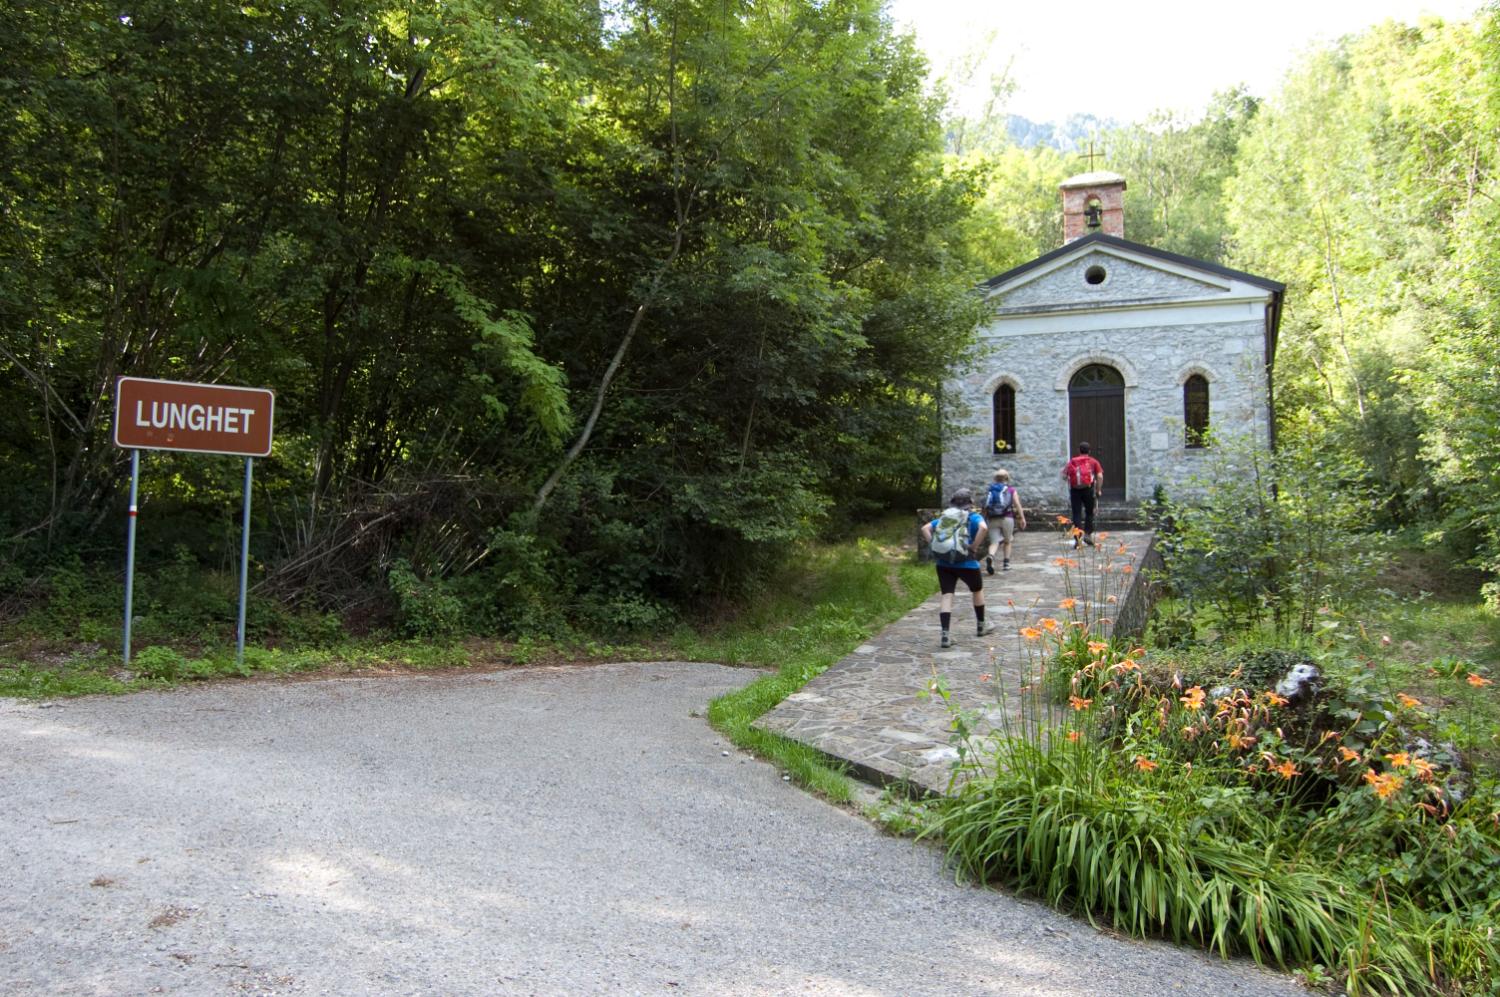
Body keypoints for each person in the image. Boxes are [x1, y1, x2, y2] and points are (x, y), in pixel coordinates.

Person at [921, 488, 997, 647]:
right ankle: (981, 625)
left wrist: (934, 545)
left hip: (944, 564)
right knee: (977, 591)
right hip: (967, 563)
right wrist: (974, 546)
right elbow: (984, 528)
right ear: (970, 503)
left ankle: (945, 635)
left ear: (953, 503)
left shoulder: (945, 518)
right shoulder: (973, 516)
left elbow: (925, 529)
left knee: (947, 595)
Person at [982, 468, 1027, 574]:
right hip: (1007, 518)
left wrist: (983, 519)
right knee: (1007, 541)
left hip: (992, 518)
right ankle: (1006, 564)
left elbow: (984, 507)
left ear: (995, 478)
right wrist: (1022, 518)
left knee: (994, 542)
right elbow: (1017, 504)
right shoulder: (1011, 490)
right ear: (1007, 478)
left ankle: (991, 556)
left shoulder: (990, 490)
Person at [1061, 442, 1104, 547]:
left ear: (1079, 451)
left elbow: (1063, 475)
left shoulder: (1072, 461)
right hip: (1088, 489)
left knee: (1077, 514)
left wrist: (1069, 479)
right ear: (1089, 451)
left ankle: (1078, 538)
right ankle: (1088, 534)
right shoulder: (1093, 462)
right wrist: (1098, 489)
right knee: (1089, 512)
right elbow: (1100, 476)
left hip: (1075, 490)